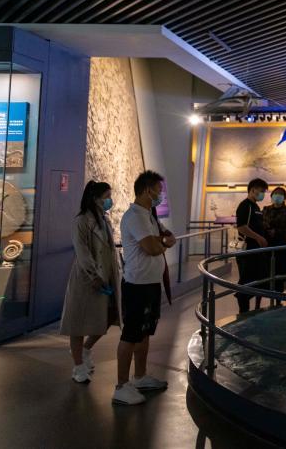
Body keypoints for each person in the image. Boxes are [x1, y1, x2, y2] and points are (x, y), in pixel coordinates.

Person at [113, 170, 176, 406]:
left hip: (151, 283)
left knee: (145, 332)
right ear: (147, 190)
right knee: (131, 334)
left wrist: (162, 241)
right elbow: (152, 247)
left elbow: (168, 237)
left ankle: (139, 377)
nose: (161, 195)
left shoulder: (149, 216)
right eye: (158, 190)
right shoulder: (135, 217)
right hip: (137, 285)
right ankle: (121, 386)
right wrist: (163, 243)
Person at [59, 180, 120, 384]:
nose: (110, 200)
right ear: (95, 199)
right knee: (78, 323)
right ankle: (78, 366)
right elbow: (82, 251)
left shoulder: (104, 219)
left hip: (106, 276)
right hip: (86, 278)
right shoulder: (81, 221)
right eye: (107, 197)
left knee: (108, 316)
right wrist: (93, 275)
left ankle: (86, 349)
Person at [235, 178, 269, 313]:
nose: (263, 194)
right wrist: (258, 237)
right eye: (261, 191)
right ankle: (244, 311)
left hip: (257, 251)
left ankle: (254, 309)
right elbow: (241, 227)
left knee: (259, 279)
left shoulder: (256, 207)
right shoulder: (245, 206)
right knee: (246, 281)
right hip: (247, 251)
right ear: (253, 189)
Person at [263, 187, 286, 300]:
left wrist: (276, 232)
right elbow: (261, 223)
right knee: (267, 269)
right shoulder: (266, 210)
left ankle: (278, 296)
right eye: (275, 193)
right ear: (272, 196)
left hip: (281, 244)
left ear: (284, 198)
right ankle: (267, 292)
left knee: (281, 270)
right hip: (267, 243)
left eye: (280, 194)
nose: (277, 196)